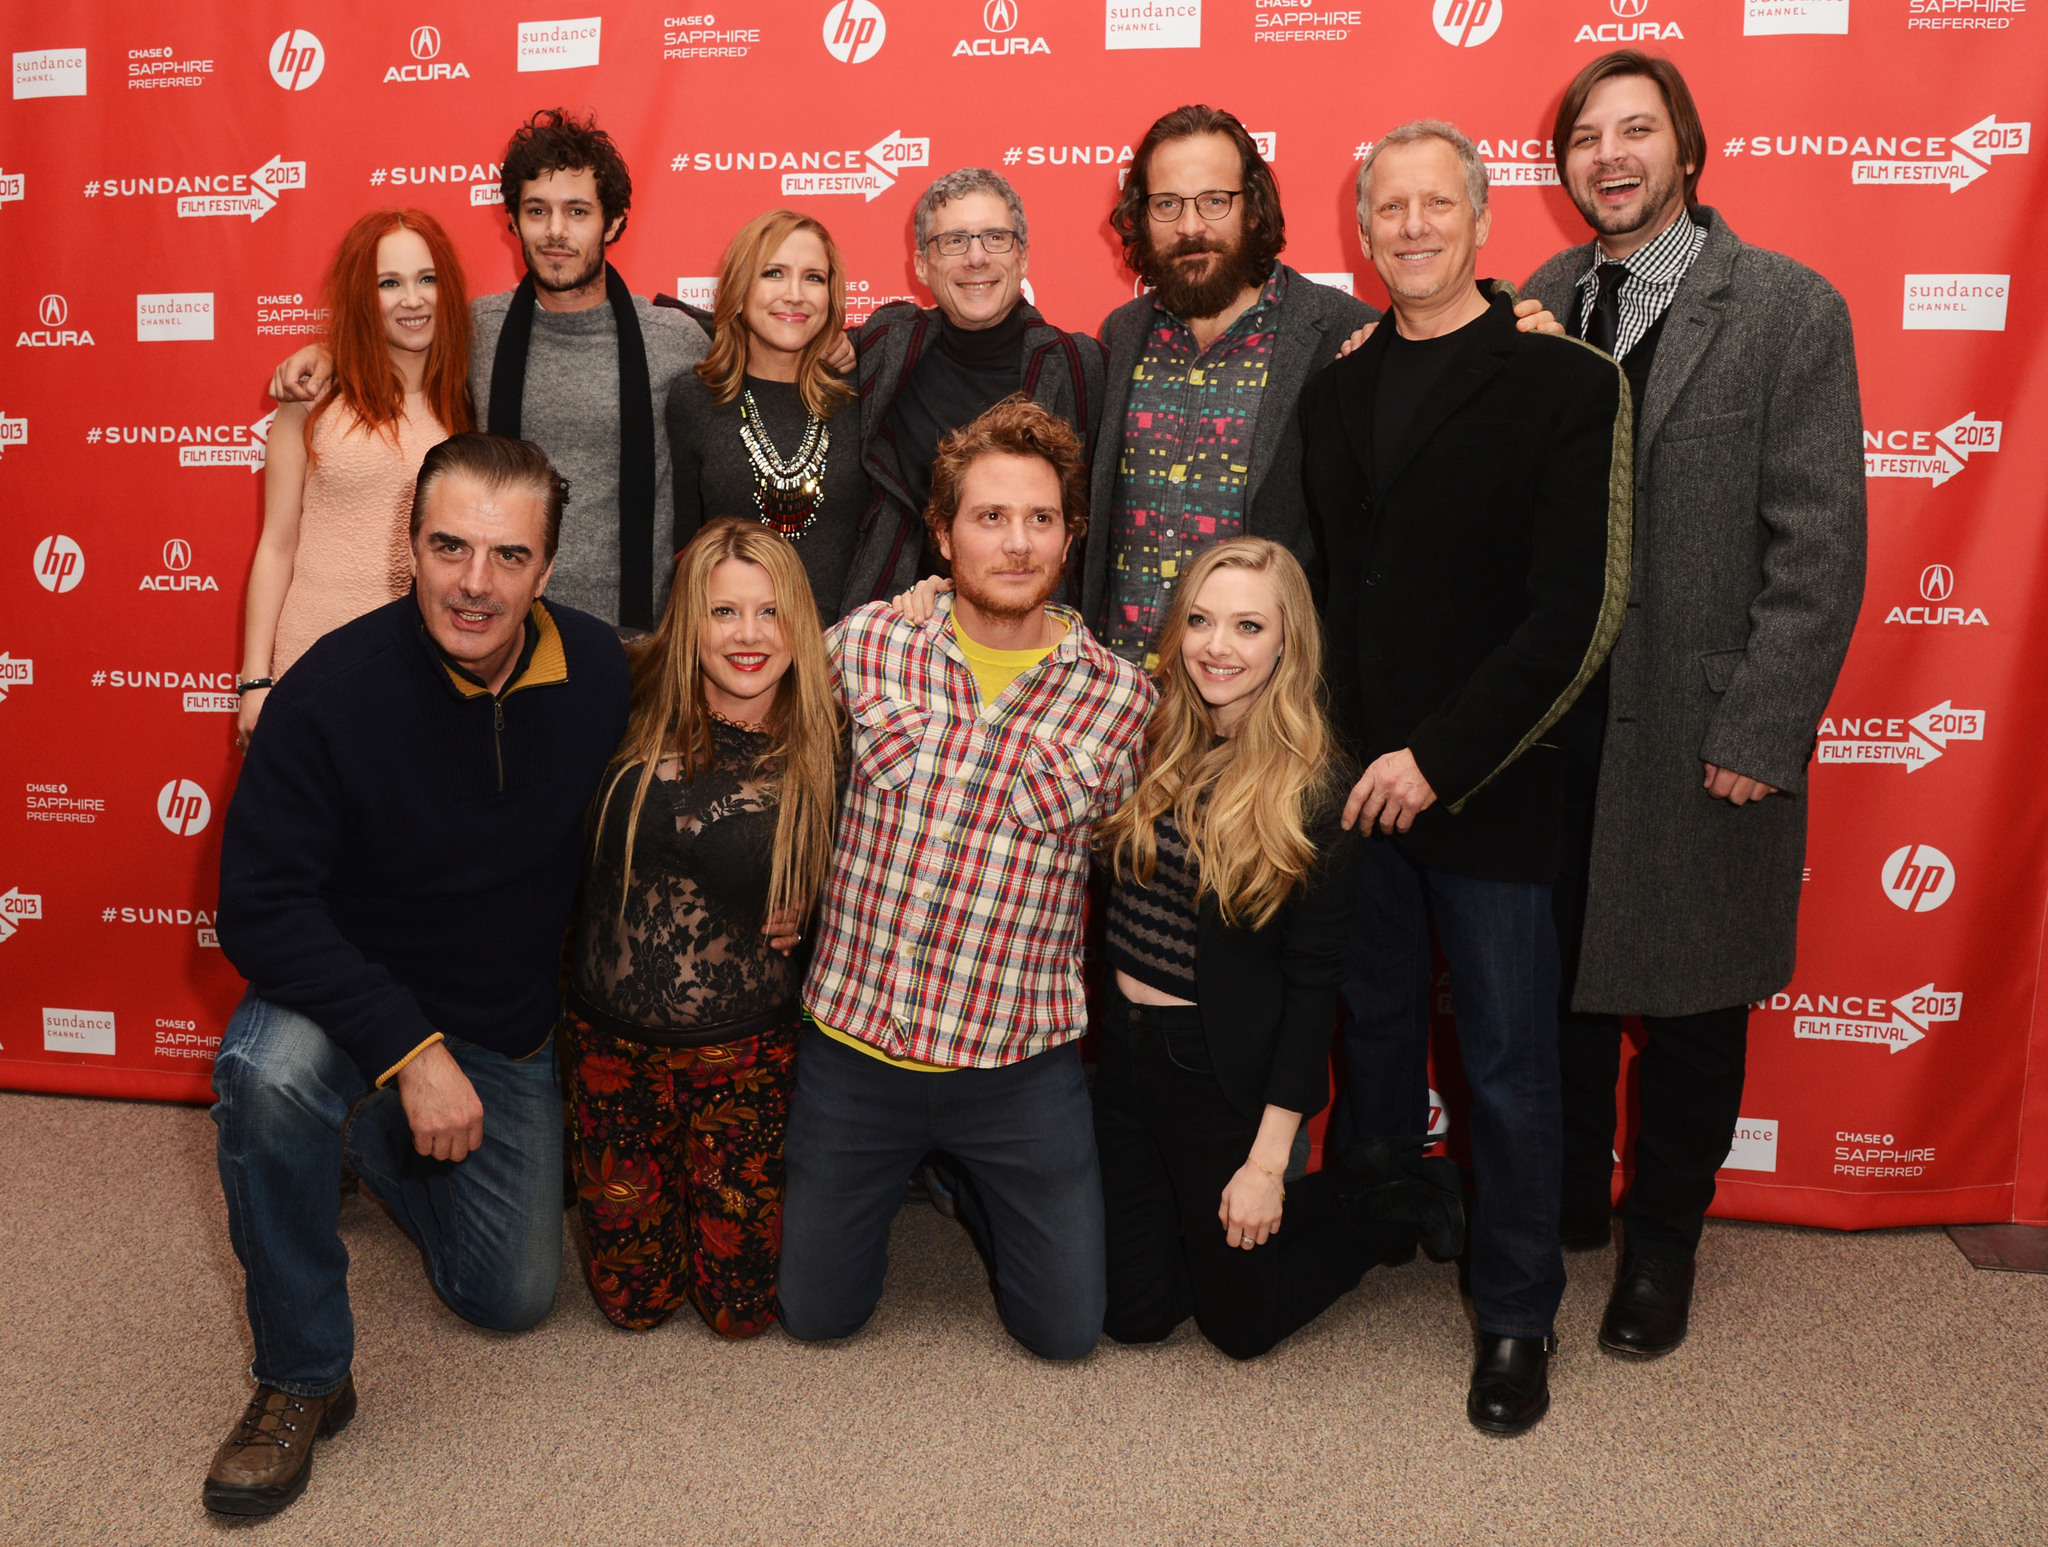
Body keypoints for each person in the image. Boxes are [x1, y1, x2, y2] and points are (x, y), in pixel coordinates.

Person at [205, 434, 629, 1517]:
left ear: (545, 569)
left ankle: (369, 1141)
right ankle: (300, 1374)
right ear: (410, 544)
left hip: (503, 1019)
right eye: (448, 546)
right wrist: (408, 1049)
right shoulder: (331, 688)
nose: (473, 583)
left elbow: (745, 683)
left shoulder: (597, 672)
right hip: (353, 1003)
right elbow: (257, 905)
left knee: (511, 1298)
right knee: (264, 1070)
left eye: (506, 555)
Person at [1523, 52, 1865, 1357]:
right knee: (1555, 991)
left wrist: (1760, 730)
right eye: (1586, 137)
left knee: (1692, 1006)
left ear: (1686, 148)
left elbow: (1821, 543)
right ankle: (1562, 1208)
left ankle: (1662, 1240)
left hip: (1697, 728)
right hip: (1556, 730)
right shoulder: (1543, 300)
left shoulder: (1785, 309)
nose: (1609, 156)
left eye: (1635, 131)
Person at [1300, 121, 1631, 1434]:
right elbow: (1332, 586)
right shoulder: (1335, 386)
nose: (1414, 227)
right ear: (1363, 226)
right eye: (1391, 208)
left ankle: (1515, 1314)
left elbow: (1571, 615)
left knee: (1504, 1059)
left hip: (1485, 781)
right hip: (1355, 788)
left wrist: (1437, 758)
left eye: (1440, 204)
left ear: (1485, 222)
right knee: (1373, 1026)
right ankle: (1385, 1217)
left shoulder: (1568, 382)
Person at [777, 397, 1153, 1360]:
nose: (1017, 543)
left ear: (1072, 534)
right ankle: (912, 1168)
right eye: (989, 518)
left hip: (1018, 1065)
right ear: (942, 534)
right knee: (818, 1319)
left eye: (1040, 519)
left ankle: (959, 1180)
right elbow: (762, 756)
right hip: (857, 1048)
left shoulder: (1121, 699)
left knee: (1067, 1333)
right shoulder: (866, 645)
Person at [1092, 538, 1457, 1360]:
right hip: (1122, 1060)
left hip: (1217, 1073)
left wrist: (1266, 1162)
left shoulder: (1319, 789)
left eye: (1248, 626)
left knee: (1240, 1328)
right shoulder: (1149, 733)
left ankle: (1381, 1197)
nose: (1217, 646)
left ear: (1287, 642)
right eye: (1201, 620)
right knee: (1135, 1315)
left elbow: (1312, 986)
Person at [270, 109, 709, 631]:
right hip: (494, 633)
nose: (555, 232)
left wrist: (834, 351)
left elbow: (761, 373)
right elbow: (390, 341)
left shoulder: (674, 339)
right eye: (537, 211)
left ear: (612, 222)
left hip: (636, 643)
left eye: (577, 211)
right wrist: (326, 355)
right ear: (515, 221)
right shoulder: (477, 329)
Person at [564, 518, 840, 1337]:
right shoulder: (622, 696)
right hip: (611, 1053)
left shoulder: (832, 742)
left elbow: (875, 869)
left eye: (769, 612)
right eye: (724, 612)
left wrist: (811, 909)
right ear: (690, 622)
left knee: (739, 1311)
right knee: (634, 1306)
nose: (748, 635)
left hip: (744, 1059)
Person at [1084, 105, 1375, 671]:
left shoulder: (1340, 334)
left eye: (1214, 201)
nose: (1191, 227)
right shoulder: (1120, 335)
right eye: (1167, 204)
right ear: (1140, 215)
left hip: (1261, 707)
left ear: (1255, 206)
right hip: (1119, 696)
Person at [236, 209, 472, 746]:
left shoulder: (470, 395)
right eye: (389, 283)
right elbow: (276, 543)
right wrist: (256, 679)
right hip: (311, 658)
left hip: (426, 671)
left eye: (426, 279)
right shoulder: (313, 396)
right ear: (364, 297)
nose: (412, 300)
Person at [839, 168, 1107, 610]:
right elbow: (775, 333)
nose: (976, 258)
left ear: (1022, 257)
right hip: (901, 624)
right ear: (923, 264)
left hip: (1036, 623)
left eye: (995, 238)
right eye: (954, 241)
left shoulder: (1082, 365)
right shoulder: (888, 344)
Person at [666, 213, 869, 622]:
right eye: (773, 273)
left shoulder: (862, 391)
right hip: (732, 645)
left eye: (813, 278)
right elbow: (679, 545)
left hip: (845, 652)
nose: (795, 294)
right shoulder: (695, 398)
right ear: (740, 288)